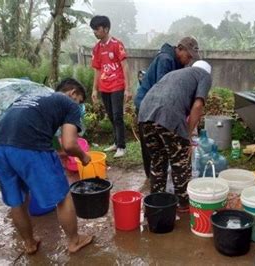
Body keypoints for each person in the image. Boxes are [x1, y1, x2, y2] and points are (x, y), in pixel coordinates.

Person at [0, 79, 93, 254]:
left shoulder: (33, 97)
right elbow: (70, 144)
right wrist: (83, 157)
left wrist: (57, 152)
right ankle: (74, 241)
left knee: (17, 201)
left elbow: (33, 126)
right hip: (30, 148)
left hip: (0, 147)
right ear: (73, 93)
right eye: (80, 101)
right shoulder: (69, 104)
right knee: (63, 197)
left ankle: (29, 243)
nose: (79, 106)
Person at [138, 60, 212, 211]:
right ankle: (183, 204)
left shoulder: (177, 73)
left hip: (144, 114)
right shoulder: (204, 75)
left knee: (158, 160)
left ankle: (157, 202)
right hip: (167, 115)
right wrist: (187, 136)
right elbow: (198, 106)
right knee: (181, 161)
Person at [134, 37, 200, 178]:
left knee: (161, 147)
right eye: (188, 56)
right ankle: (152, 180)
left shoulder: (177, 63)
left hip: (157, 107)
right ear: (180, 48)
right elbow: (164, 91)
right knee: (152, 148)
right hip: (147, 106)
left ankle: (157, 178)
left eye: (191, 59)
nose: (189, 61)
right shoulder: (166, 60)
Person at [90, 15, 132, 158]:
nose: (95, 32)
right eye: (93, 30)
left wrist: (128, 88)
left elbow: (125, 66)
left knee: (117, 116)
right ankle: (116, 142)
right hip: (104, 87)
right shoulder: (96, 49)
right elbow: (97, 70)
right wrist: (94, 89)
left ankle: (122, 146)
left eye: (97, 29)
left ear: (106, 29)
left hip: (117, 85)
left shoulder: (116, 44)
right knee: (111, 117)